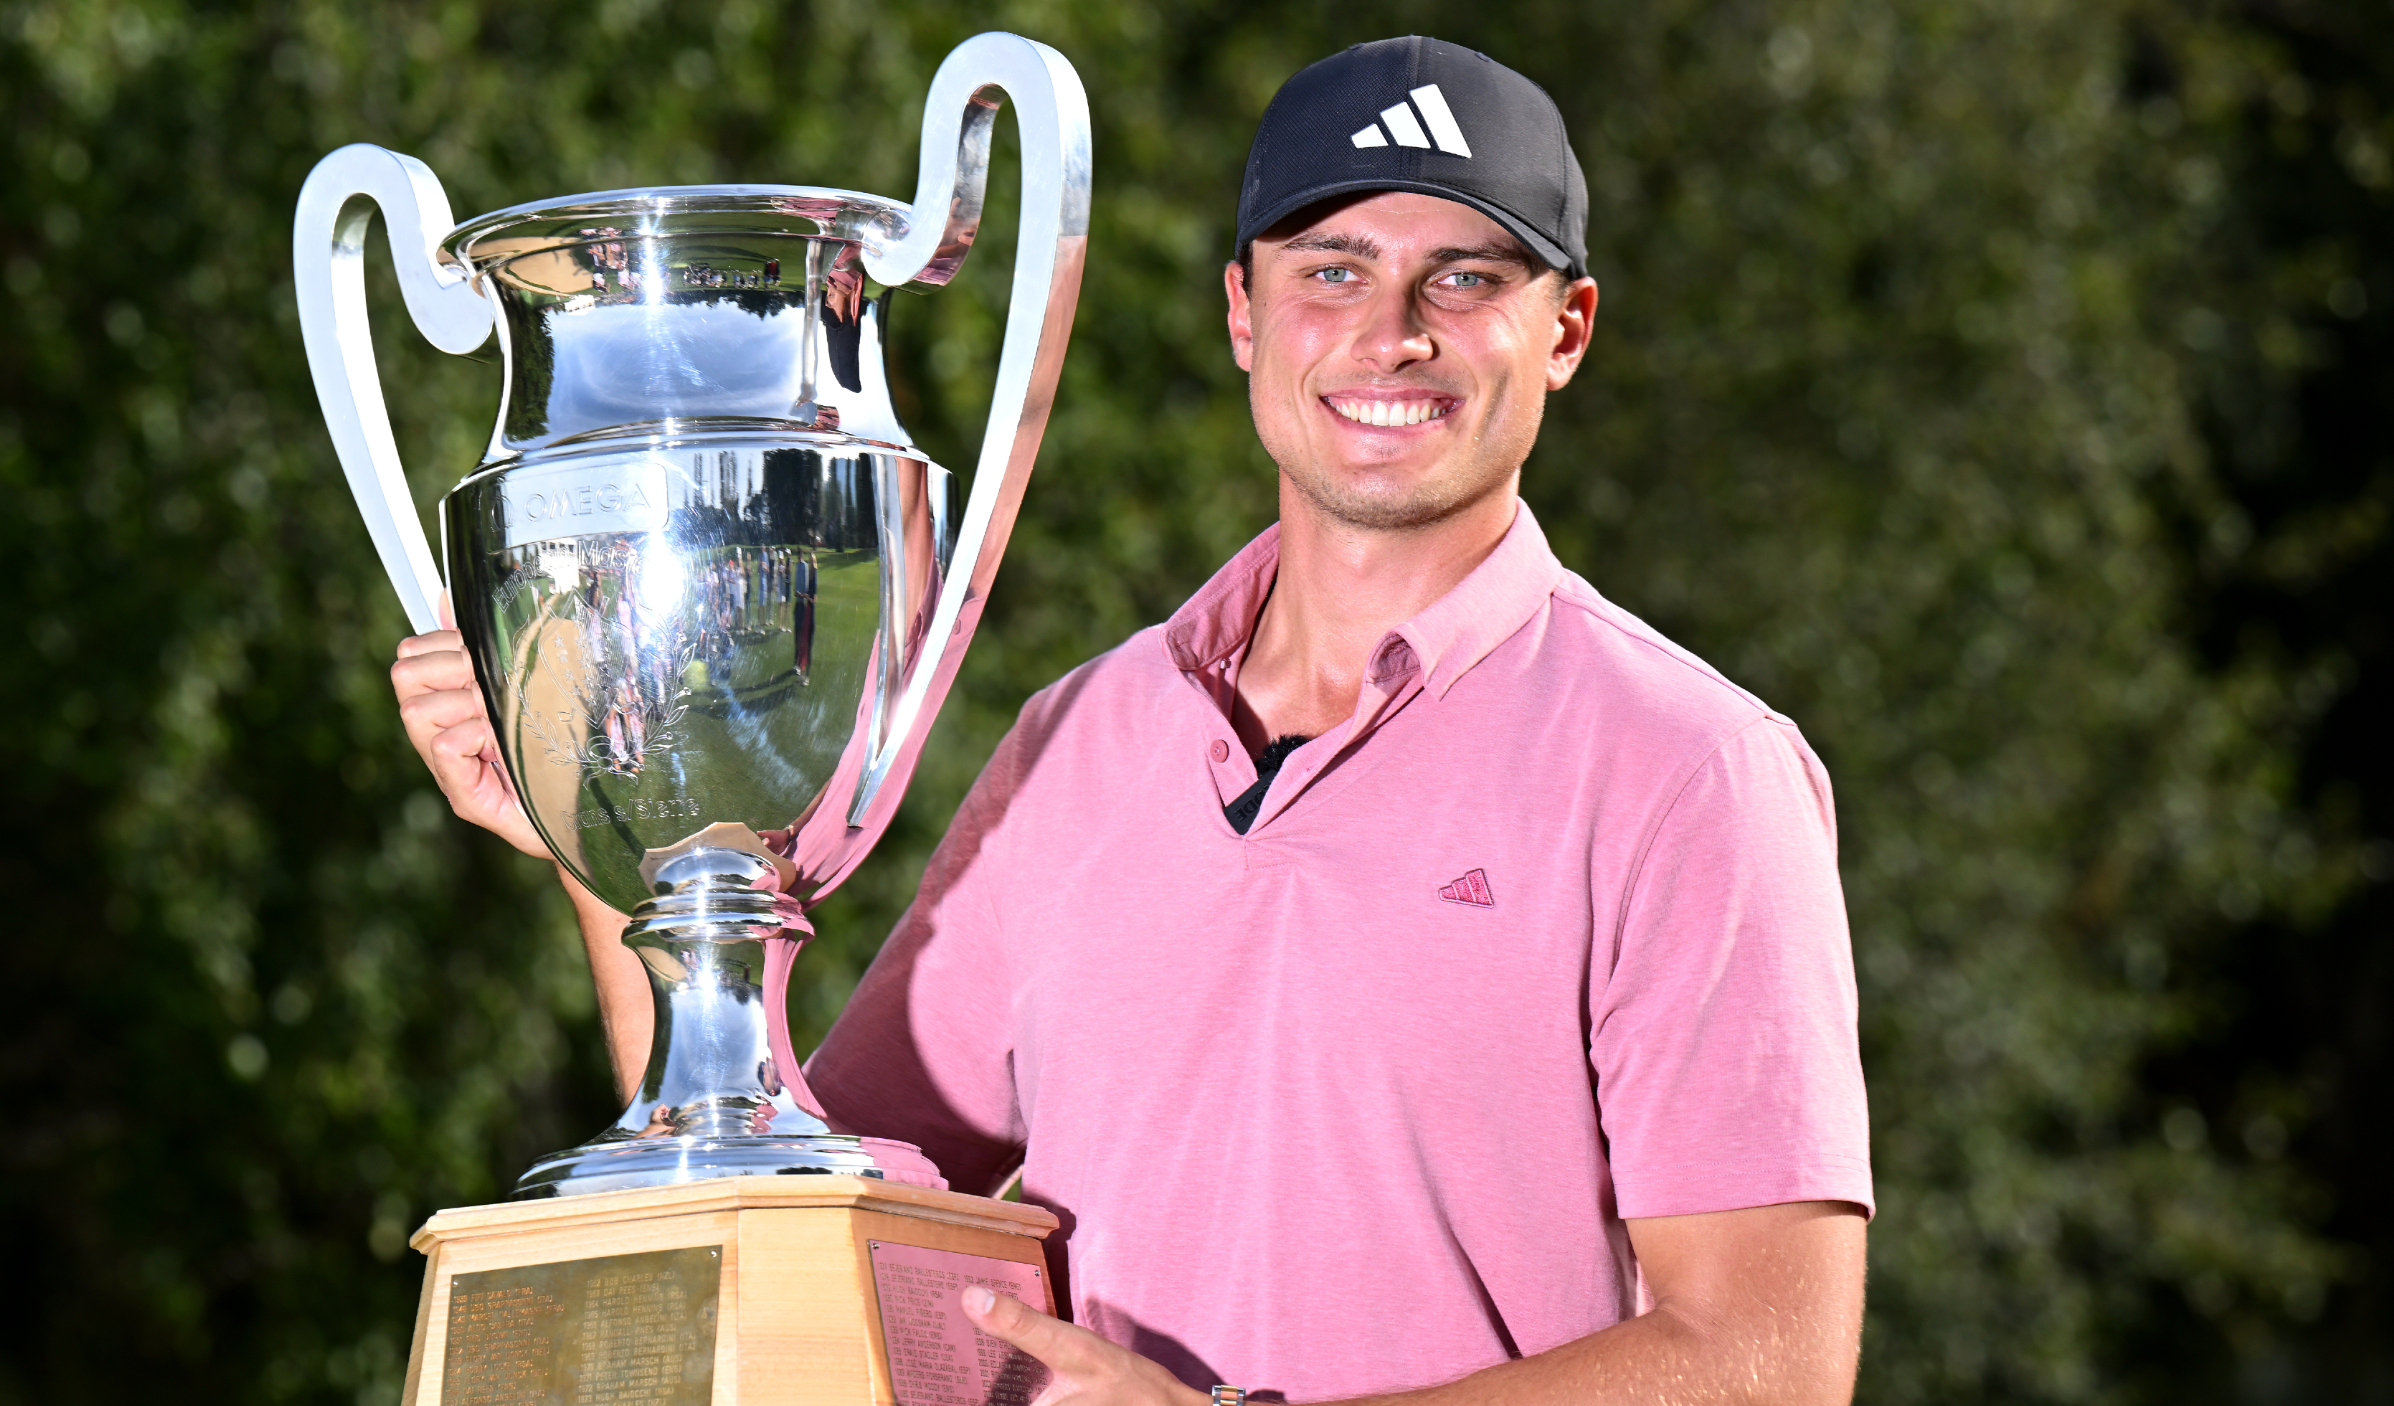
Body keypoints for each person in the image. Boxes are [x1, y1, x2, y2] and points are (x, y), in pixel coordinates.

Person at [394, 36, 1871, 1406]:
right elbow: (778, 1199)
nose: (1393, 335)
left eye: (1468, 279)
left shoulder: (1693, 768)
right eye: (1333, 271)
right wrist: (606, 815)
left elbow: (1765, 1355)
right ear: (1245, 311)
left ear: (1567, 329)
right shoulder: (1078, 743)